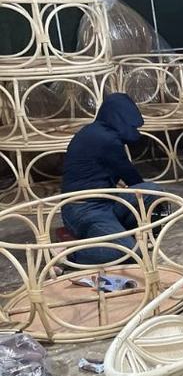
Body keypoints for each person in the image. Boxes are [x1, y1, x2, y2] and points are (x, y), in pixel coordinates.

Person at [60, 93, 165, 265]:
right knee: (128, 253)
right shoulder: (105, 139)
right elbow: (130, 176)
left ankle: (118, 234)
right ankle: (67, 255)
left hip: (106, 201)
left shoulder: (99, 131)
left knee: (154, 192)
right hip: (85, 209)